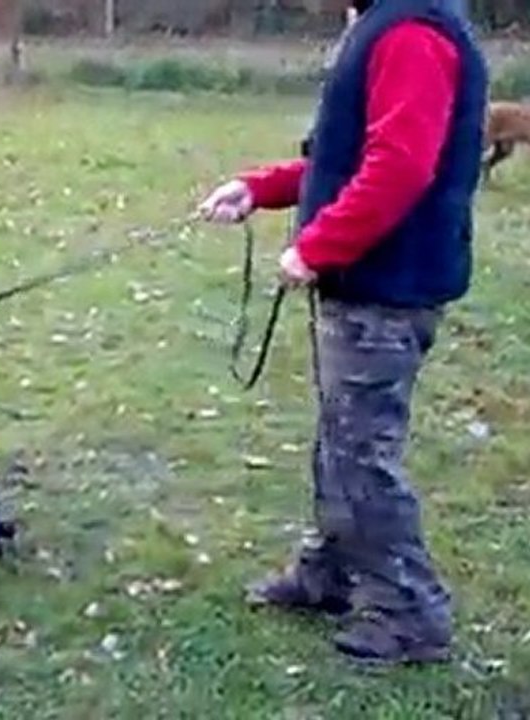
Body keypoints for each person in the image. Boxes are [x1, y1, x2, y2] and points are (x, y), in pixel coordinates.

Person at [198, 0, 487, 665]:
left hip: (387, 289)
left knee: (362, 455)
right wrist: (258, 188)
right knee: (341, 443)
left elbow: (401, 165)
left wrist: (318, 245)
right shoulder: (390, 25)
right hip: (372, 284)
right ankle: (331, 571)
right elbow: (347, 160)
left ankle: (410, 613)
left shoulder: (412, 34)